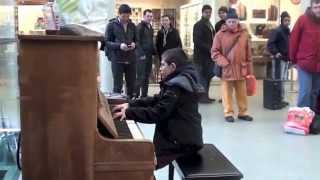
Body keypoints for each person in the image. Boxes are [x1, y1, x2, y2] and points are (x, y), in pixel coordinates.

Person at [113, 48, 204, 170]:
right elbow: (156, 100)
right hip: (182, 136)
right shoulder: (178, 80)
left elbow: (158, 113)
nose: (159, 68)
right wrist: (130, 105)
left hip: (182, 142)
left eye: (162, 65)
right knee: (143, 160)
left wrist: (129, 113)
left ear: (172, 66)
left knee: (143, 165)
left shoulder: (176, 86)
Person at [211, 8, 253, 123]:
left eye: (234, 21)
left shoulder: (244, 34)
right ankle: (228, 112)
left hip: (241, 68)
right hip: (227, 69)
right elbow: (214, 52)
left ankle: (243, 112)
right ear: (226, 22)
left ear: (238, 21)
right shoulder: (220, 35)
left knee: (242, 92)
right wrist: (224, 62)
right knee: (226, 92)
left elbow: (248, 52)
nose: (231, 24)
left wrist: (249, 68)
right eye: (229, 21)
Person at [289, 0, 320, 111]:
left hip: (318, 66)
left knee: (315, 93)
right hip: (305, 64)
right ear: (311, 7)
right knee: (305, 92)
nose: (318, 10)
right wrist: (293, 60)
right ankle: (301, 122)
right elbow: (294, 40)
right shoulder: (303, 19)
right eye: (316, 7)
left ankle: (311, 119)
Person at [105, 4, 137, 98]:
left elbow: (137, 41)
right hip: (117, 59)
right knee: (117, 86)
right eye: (123, 16)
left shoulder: (132, 25)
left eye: (128, 16)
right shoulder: (111, 25)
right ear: (118, 14)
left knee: (131, 85)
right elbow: (106, 42)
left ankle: (130, 108)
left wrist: (135, 45)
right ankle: (117, 109)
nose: (125, 18)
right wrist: (119, 46)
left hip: (131, 59)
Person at [267, 11, 291, 108]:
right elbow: (270, 43)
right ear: (281, 20)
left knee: (283, 80)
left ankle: (281, 99)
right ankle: (276, 100)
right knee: (278, 80)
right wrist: (276, 53)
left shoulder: (287, 31)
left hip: (285, 59)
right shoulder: (277, 31)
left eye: (289, 20)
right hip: (279, 60)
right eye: (285, 20)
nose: (287, 22)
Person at [193, 5, 216, 103]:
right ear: (202, 13)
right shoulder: (198, 25)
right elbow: (197, 41)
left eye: (210, 12)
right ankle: (202, 97)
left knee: (208, 76)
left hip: (209, 57)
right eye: (206, 12)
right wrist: (210, 48)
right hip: (200, 57)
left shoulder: (210, 24)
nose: (208, 14)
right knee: (201, 77)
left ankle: (206, 95)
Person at [135, 9, 155, 98]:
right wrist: (141, 54)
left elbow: (151, 42)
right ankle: (135, 95)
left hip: (149, 56)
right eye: (148, 16)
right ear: (144, 16)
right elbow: (137, 41)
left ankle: (144, 96)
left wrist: (154, 52)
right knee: (140, 77)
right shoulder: (140, 27)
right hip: (141, 56)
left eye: (151, 16)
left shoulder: (150, 27)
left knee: (146, 76)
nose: (150, 18)